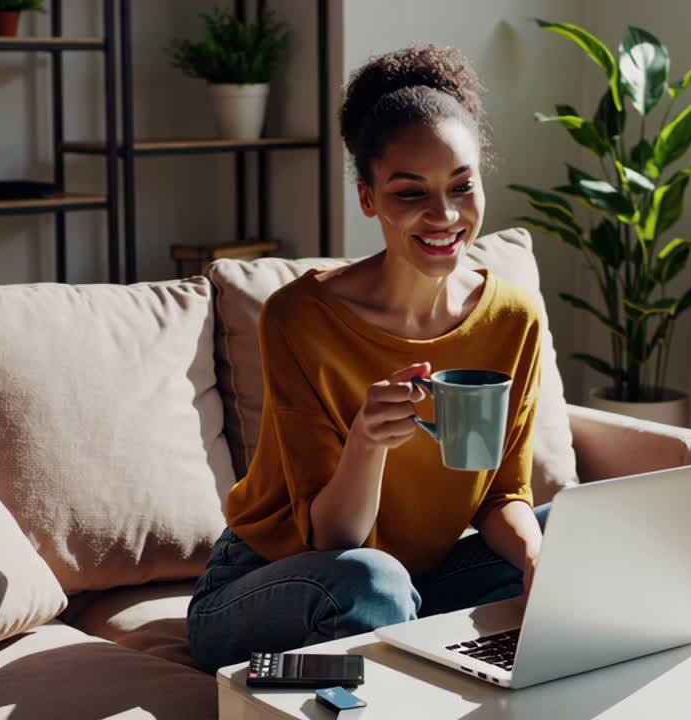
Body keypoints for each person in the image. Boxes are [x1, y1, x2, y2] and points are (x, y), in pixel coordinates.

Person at [187, 45, 548, 674]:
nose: (444, 216)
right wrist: (368, 441)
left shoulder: (515, 317)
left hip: (415, 580)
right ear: (368, 198)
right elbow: (334, 541)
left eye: (462, 187)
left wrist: (540, 558)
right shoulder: (300, 318)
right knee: (372, 583)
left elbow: (502, 497)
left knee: (574, 532)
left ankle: (430, 647)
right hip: (281, 581)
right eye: (411, 194)